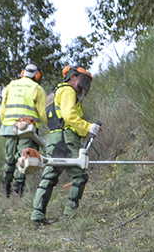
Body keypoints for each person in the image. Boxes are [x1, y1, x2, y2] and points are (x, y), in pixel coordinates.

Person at [30, 65, 101, 227]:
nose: (83, 86)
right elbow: (69, 115)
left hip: (54, 138)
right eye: (82, 80)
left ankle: (37, 216)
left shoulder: (53, 94)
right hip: (66, 140)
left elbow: (53, 118)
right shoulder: (68, 90)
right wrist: (88, 127)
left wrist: (84, 131)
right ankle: (70, 215)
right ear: (73, 77)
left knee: (49, 176)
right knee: (80, 176)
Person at [0, 63, 48, 197]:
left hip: (9, 127)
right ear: (37, 75)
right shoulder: (36, 88)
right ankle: (17, 191)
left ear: (23, 73)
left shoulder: (10, 85)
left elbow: (2, 109)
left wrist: (6, 123)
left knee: (9, 159)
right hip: (27, 129)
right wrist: (51, 124)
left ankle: (5, 190)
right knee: (24, 158)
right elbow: (42, 113)